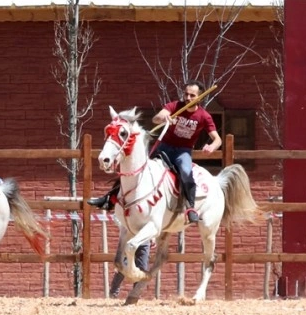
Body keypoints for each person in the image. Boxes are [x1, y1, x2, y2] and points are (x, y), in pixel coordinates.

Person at [88, 80, 222, 223]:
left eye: (192, 95)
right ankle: (110, 198)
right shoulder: (175, 106)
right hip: (164, 146)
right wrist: (165, 118)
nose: (188, 98)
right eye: (186, 94)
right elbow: (156, 118)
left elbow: (217, 139)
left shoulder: (204, 116)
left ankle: (190, 208)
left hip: (183, 151)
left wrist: (211, 147)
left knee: (186, 172)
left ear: (199, 98)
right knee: (138, 169)